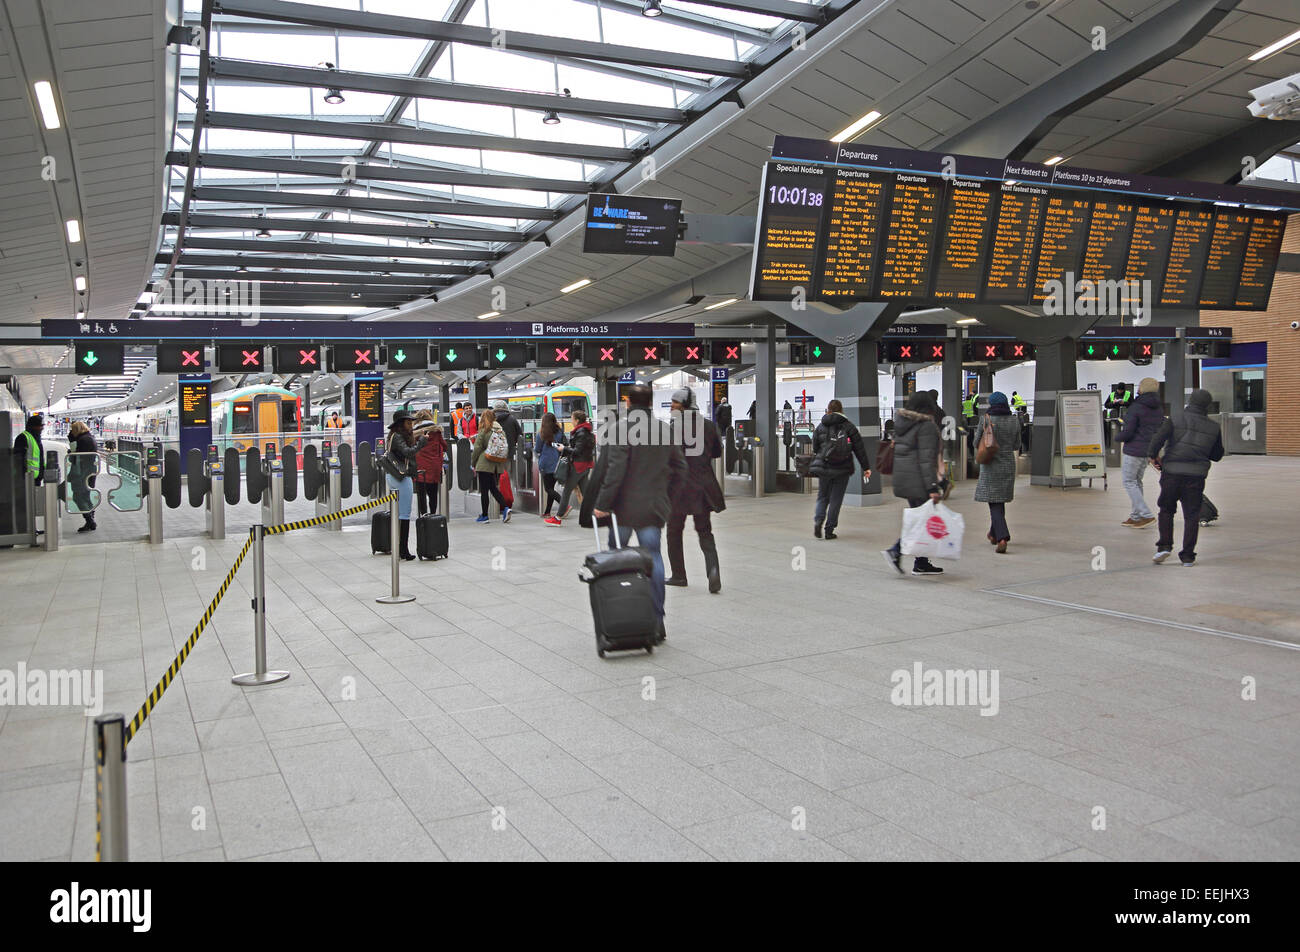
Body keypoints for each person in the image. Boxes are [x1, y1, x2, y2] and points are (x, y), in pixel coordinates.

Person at [583, 384, 685, 643]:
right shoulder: (664, 430)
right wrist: (667, 497)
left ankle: (624, 616)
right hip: (653, 508)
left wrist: (603, 504)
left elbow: (614, 472)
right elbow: (680, 469)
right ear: (651, 402)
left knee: (617, 558)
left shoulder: (619, 430)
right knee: (654, 558)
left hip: (622, 510)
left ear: (628, 403)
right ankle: (657, 620)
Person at [1147, 389, 1223, 566]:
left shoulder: (1175, 419)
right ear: (1207, 405)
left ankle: (1164, 546)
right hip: (1196, 477)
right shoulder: (1213, 427)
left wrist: (1152, 455)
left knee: (1166, 509)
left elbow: (1158, 439)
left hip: (1172, 473)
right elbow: (1217, 455)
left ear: (1191, 401)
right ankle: (1188, 556)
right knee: (1191, 515)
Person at [665, 388, 725, 592]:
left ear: (684, 405)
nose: (671, 405)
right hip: (703, 486)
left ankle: (679, 575)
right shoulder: (708, 425)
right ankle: (713, 569)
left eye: (675, 402)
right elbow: (717, 451)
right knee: (705, 531)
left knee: (673, 531)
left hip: (678, 489)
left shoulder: (673, 428)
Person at [882, 392, 944, 576]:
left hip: (905, 479)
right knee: (921, 522)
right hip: (919, 481)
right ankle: (895, 551)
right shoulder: (925, 426)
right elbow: (926, 460)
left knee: (920, 520)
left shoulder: (903, 424)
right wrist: (932, 487)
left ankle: (921, 562)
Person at [811, 398, 872, 540]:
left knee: (822, 496)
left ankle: (818, 520)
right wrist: (866, 467)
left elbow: (815, 447)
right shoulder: (849, 426)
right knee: (836, 499)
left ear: (828, 409)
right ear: (841, 410)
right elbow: (859, 449)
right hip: (842, 468)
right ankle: (829, 530)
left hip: (824, 467)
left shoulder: (821, 426)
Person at [973, 392, 1021, 554]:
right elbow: (1017, 444)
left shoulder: (986, 420)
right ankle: (993, 534)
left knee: (994, 502)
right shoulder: (1014, 421)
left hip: (990, 463)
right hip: (1007, 464)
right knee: (998, 500)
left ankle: (1002, 536)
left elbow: (975, 442)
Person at [1116, 377, 1163, 529]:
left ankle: (1146, 514)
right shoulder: (1158, 408)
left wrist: (1118, 437)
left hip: (1134, 449)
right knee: (1137, 482)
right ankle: (1136, 516)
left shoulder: (1136, 407)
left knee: (1129, 482)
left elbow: (1129, 430)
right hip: (1147, 450)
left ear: (1141, 389)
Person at [384, 409, 428, 561]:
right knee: (404, 514)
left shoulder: (395, 436)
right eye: (408, 422)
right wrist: (421, 442)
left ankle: (400, 548)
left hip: (396, 476)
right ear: (400, 424)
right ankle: (403, 550)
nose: (411, 425)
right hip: (401, 478)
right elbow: (408, 452)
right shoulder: (397, 437)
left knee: (400, 514)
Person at [471, 408, 511, 523]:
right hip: (496, 465)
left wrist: (473, 462)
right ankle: (505, 508)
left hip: (484, 464)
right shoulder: (500, 431)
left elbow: (477, 448)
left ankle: (484, 515)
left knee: (484, 491)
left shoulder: (484, 430)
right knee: (493, 489)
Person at [555, 408, 595, 520]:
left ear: (577, 420)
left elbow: (577, 451)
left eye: (572, 419)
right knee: (585, 492)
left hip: (578, 466)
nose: (571, 421)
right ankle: (592, 515)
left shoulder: (581, 433)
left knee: (567, 491)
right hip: (586, 465)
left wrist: (564, 449)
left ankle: (558, 516)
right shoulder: (587, 431)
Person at [535, 411, 568, 525]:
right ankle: (547, 512)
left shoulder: (541, 434)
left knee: (548, 489)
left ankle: (564, 505)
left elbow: (537, 449)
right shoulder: (559, 432)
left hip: (545, 464)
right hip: (557, 464)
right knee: (551, 488)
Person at [412, 412, 447, 517]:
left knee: (421, 494)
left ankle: (423, 515)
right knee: (433, 493)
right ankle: (433, 515)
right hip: (434, 467)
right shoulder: (437, 432)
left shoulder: (415, 433)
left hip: (420, 467)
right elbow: (445, 446)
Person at [67, 421, 99, 532]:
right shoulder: (90, 437)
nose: (71, 432)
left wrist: (71, 443)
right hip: (90, 472)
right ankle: (89, 521)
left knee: (78, 497)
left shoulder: (82, 440)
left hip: (82, 473)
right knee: (85, 497)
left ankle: (90, 520)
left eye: (72, 430)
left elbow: (74, 458)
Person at [13, 414, 44, 488]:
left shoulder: (36, 438)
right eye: (40, 426)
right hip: (26, 480)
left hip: (36, 479)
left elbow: (39, 457)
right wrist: (22, 477)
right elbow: (18, 460)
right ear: (33, 426)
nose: (42, 428)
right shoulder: (23, 437)